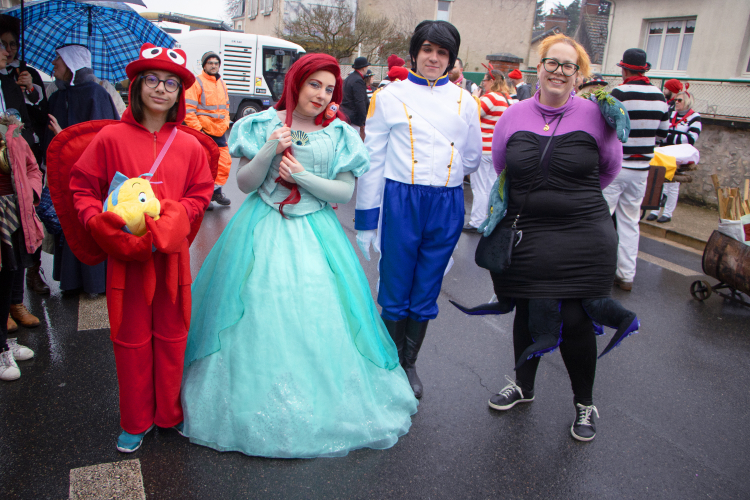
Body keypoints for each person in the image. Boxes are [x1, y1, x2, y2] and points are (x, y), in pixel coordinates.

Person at [180, 53, 418, 459]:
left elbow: (344, 191)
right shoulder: (261, 124)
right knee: (256, 307)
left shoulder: (340, 133)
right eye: (314, 85)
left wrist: (303, 177)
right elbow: (245, 183)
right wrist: (269, 150)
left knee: (318, 312)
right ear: (296, 82)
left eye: (330, 89)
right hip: (261, 227)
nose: (322, 95)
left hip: (316, 233)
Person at [63, 44, 214, 452]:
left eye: (170, 83)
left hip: (171, 261)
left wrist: (178, 218)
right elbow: (81, 187)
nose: (161, 89)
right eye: (152, 79)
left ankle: (169, 413)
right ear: (136, 86)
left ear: (179, 93)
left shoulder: (189, 145)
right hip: (126, 259)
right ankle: (135, 418)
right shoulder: (110, 137)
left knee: (172, 335)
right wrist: (97, 223)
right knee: (129, 339)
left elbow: (201, 194)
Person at [480, 34, 623, 442]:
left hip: (584, 234)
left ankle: (584, 403)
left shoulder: (596, 116)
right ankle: (523, 385)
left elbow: (609, 168)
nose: (559, 71)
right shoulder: (513, 114)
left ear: (579, 75)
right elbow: (503, 164)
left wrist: (567, 197)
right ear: (539, 67)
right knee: (528, 309)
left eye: (568, 65)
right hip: (529, 232)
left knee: (575, 319)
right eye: (552, 62)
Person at [355, 20, 482, 399]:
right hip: (401, 200)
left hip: (446, 202)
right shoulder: (389, 96)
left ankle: (409, 363)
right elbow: (373, 162)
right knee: (395, 282)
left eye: (442, 52)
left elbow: (473, 158)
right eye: (427, 49)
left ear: (451, 59)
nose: (434, 58)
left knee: (427, 285)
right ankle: (390, 363)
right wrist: (367, 221)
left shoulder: (466, 102)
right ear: (415, 53)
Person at [46, 45, 120, 295]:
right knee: (70, 223)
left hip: (91, 177)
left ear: (71, 63)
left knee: (89, 223)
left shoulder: (96, 94)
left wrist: (65, 137)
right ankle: (71, 280)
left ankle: (94, 283)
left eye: (58, 59)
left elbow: (101, 140)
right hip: (65, 173)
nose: (54, 63)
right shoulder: (57, 96)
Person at [603, 48, 669, 291]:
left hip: (616, 167)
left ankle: (593, 270)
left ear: (624, 69)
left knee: (600, 218)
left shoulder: (619, 93)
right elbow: (662, 134)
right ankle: (626, 275)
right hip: (642, 169)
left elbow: (606, 126)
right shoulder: (660, 96)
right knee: (630, 222)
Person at [0, 113, 44, 381]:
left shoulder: (12, 133)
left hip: (14, 215)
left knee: (11, 273)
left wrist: (31, 193)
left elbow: (32, 168)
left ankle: (4, 343)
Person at [464, 68, 513, 231]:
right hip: (499, 149)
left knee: (479, 187)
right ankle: (490, 219)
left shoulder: (490, 98)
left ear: (492, 81)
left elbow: (471, 113)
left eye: (484, 80)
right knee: (492, 187)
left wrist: (474, 97)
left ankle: (477, 221)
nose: (483, 84)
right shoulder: (508, 99)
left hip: (484, 148)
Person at [185, 51, 232, 208]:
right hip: (203, 130)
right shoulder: (196, 82)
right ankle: (203, 197)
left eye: (216, 63)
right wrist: (199, 130)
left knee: (223, 162)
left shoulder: (222, 84)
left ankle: (215, 192)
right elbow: (188, 109)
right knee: (203, 165)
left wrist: (226, 123)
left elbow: (226, 107)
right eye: (210, 63)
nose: (213, 66)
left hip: (219, 130)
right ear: (204, 65)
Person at [647, 90, 702, 223]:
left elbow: (690, 139)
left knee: (673, 185)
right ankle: (654, 210)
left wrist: (668, 136)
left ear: (687, 102)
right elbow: (660, 132)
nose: (676, 102)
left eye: (679, 100)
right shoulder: (671, 114)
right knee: (659, 181)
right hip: (664, 153)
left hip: (678, 155)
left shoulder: (695, 118)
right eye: (676, 100)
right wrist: (674, 136)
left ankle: (667, 213)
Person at [341, 56, 370, 139]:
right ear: (364, 68)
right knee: (354, 140)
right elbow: (360, 101)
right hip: (354, 118)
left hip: (346, 114)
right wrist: (363, 120)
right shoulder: (358, 80)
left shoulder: (349, 78)